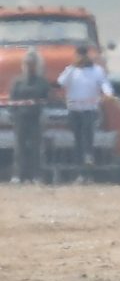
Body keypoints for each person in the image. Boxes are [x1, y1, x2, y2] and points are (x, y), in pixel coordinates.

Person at [56, 44, 110, 167]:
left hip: (89, 109)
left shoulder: (96, 70)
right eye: (79, 55)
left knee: (88, 134)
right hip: (74, 109)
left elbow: (104, 84)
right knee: (77, 136)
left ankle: (88, 156)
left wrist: (108, 94)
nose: (81, 58)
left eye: (83, 55)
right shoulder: (71, 70)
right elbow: (61, 82)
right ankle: (78, 160)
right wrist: (72, 67)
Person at [8, 48, 52, 183]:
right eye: (27, 63)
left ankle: (36, 175)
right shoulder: (17, 81)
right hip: (20, 118)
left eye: (32, 63)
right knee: (19, 147)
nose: (29, 66)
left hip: (36, 118)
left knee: (36, 148)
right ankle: (18, 175)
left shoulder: (42, 82)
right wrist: (13, 115)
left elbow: (48, 99)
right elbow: (12, 99)